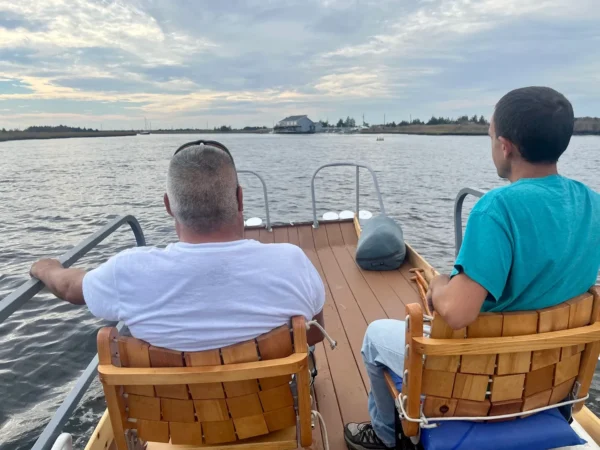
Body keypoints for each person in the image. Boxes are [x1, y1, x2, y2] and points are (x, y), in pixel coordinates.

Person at [344, 87, 600, 450]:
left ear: (505, 146)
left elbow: (459, 312)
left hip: (482, 377)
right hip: (549, 377)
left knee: (374, 336)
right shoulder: (593, 205)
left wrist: (439, 286)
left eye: (491, 135)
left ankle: (386, 436)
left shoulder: (497, 209)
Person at [30, 140, 325, 351]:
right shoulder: (291, 262)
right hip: (269, 412)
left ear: (169, 206)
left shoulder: (129, 270)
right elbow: (315, 336)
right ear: (239, 199)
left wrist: (44, 267)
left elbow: (69, 288)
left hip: (172, 423)